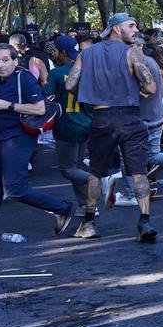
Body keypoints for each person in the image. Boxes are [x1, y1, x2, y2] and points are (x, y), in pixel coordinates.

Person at [0, 44, 76, 244]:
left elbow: (39, 109)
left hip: (18, 138)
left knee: (15, 188)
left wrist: (8, 105)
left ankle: (62, 208)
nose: (1, 65)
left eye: (5, 60)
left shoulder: (25, 78)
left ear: (15, 60)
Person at [65, 12, 159, 242]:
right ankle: (144, 222)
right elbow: (152, 88)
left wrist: (92, 92)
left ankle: (89, 223)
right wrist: (133, 89)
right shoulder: (132, 52)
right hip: (129, 117)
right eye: (132, 25)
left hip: (101, 117)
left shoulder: (86, 54)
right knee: (138, 171)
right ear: (117, 28)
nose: (136, 30)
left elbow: (70, 85)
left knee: (95, 173)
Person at [46, 35, 92, 210]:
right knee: (76, 168)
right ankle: (87, 205)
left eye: (56, 50)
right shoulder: (88, 70)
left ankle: (96, 181)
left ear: (63, 52)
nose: (54, 53)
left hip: (66, 125)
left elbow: (46, 97)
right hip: (86, 123)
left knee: (67, 169)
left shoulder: (56, 73)